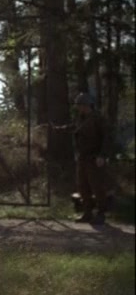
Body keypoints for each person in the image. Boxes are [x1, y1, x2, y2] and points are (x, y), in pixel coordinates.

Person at [53, 92, 111, 225]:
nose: (78, 108)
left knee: (97, 186)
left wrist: (102, 155)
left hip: (95, 156)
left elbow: (107, 138)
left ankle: (101, 213)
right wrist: (59, 129)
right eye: (78, 105)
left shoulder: (98, 118)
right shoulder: (81, 118)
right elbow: (74, 127)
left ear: (87, 105)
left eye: (80, 105)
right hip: (83, 156)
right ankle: (87, 212)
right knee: (83, 186)